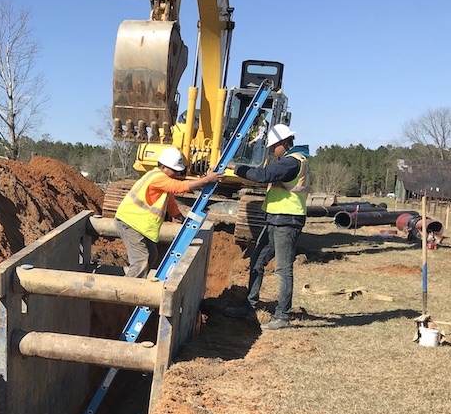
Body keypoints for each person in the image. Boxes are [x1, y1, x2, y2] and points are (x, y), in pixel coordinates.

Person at [223, 123, 310, 330]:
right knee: (257, 261)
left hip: (287, 220)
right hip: (276, 219)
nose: (272, 150)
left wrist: (236, 167)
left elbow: (263, 176)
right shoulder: (289, 160)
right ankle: (248, 305)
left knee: (283, 269)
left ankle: (282, 316)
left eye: (273, 146)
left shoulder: (291, 162)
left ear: (284, 142)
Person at [114, 147, 220, 278]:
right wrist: (205, 180)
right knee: (140, 261)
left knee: (152, 256)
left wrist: (180, 217)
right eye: (174, 170)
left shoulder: (162, 180)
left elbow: (170, 203)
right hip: (130, 223)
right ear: (163, 166)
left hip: (138, 226)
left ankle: (137, 288)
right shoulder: (158, 177)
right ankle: (125, 292)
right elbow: (178, 187)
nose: (176, 174)